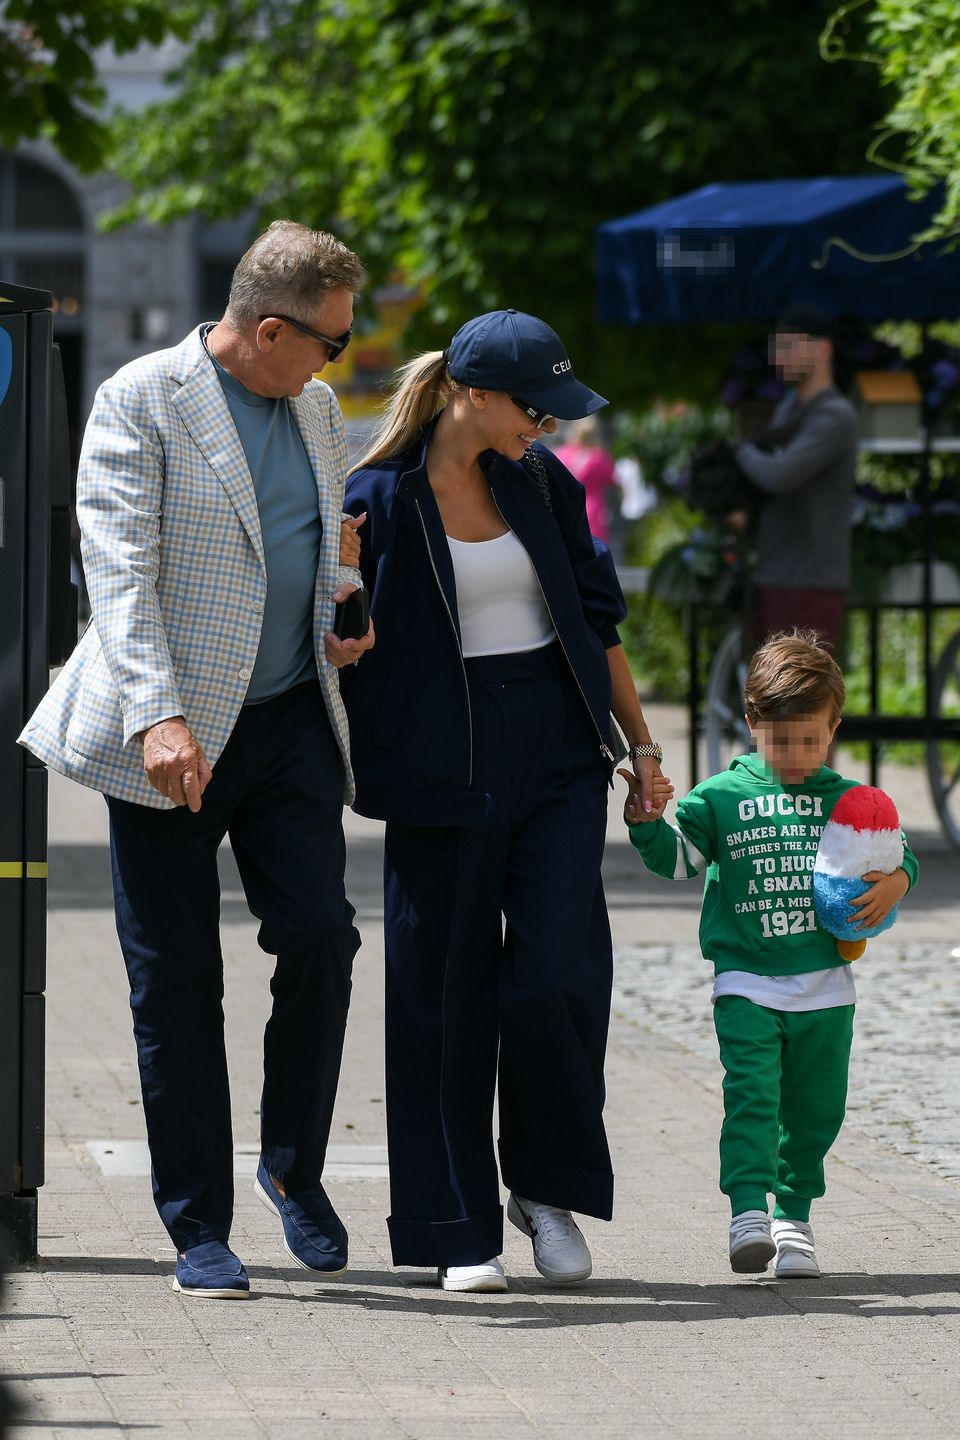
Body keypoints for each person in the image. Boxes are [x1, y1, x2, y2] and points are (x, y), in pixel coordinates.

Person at [19, 221, 376, 1299]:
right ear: (270, 329)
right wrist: (161, 716)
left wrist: (341, 610)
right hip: (169, 734)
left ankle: (291, 1168)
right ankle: (197, 1227)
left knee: (321, 940)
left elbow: (314, 546)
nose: (337, 364)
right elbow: (118, 575)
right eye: (331, 343)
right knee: (175, 983)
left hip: (289, 722)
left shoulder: (313, 407)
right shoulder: (139, 398)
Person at [342, 309, 666, 1292]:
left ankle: (543, 1187)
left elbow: (597, 621)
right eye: (536, 408)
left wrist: (643, 747)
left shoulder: (539, 483)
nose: (551, 427)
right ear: (470, 395)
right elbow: (339, 637)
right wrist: (340, 606)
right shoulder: (376, 498)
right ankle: (456, 1228)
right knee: (444, 992)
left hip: (558, 744)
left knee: (560, 972)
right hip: (441, 756)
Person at [620, 631, 917, 1277]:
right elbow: (678, 862)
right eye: (781, 741)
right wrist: (645, 823)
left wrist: (898, 881)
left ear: (835, 728)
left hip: (827, 988)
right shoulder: (719, 799)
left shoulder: (850, 800)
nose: (796, 755)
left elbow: (893, 855)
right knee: (752, 1095)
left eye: (812, 740)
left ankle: (796, 1218)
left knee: (815, 1111)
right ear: (752, 723)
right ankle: (749, 1212)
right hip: (747, 982)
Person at [733, 306, 860, 655]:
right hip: (774, 575)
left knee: (801, 701)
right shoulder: (789, 409)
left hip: (809, 582)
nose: (780, 357)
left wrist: (736, 450)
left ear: (823, 349)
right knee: (772, 698)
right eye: (777, 347)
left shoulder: (835, 416)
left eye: (790, 346)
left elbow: (779, 474)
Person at [554, 416, 617, 544]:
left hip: (565, 506)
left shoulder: (562, 454)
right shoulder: (599, 457)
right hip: (592, 508)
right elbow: (611, 478)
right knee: (594, 547)